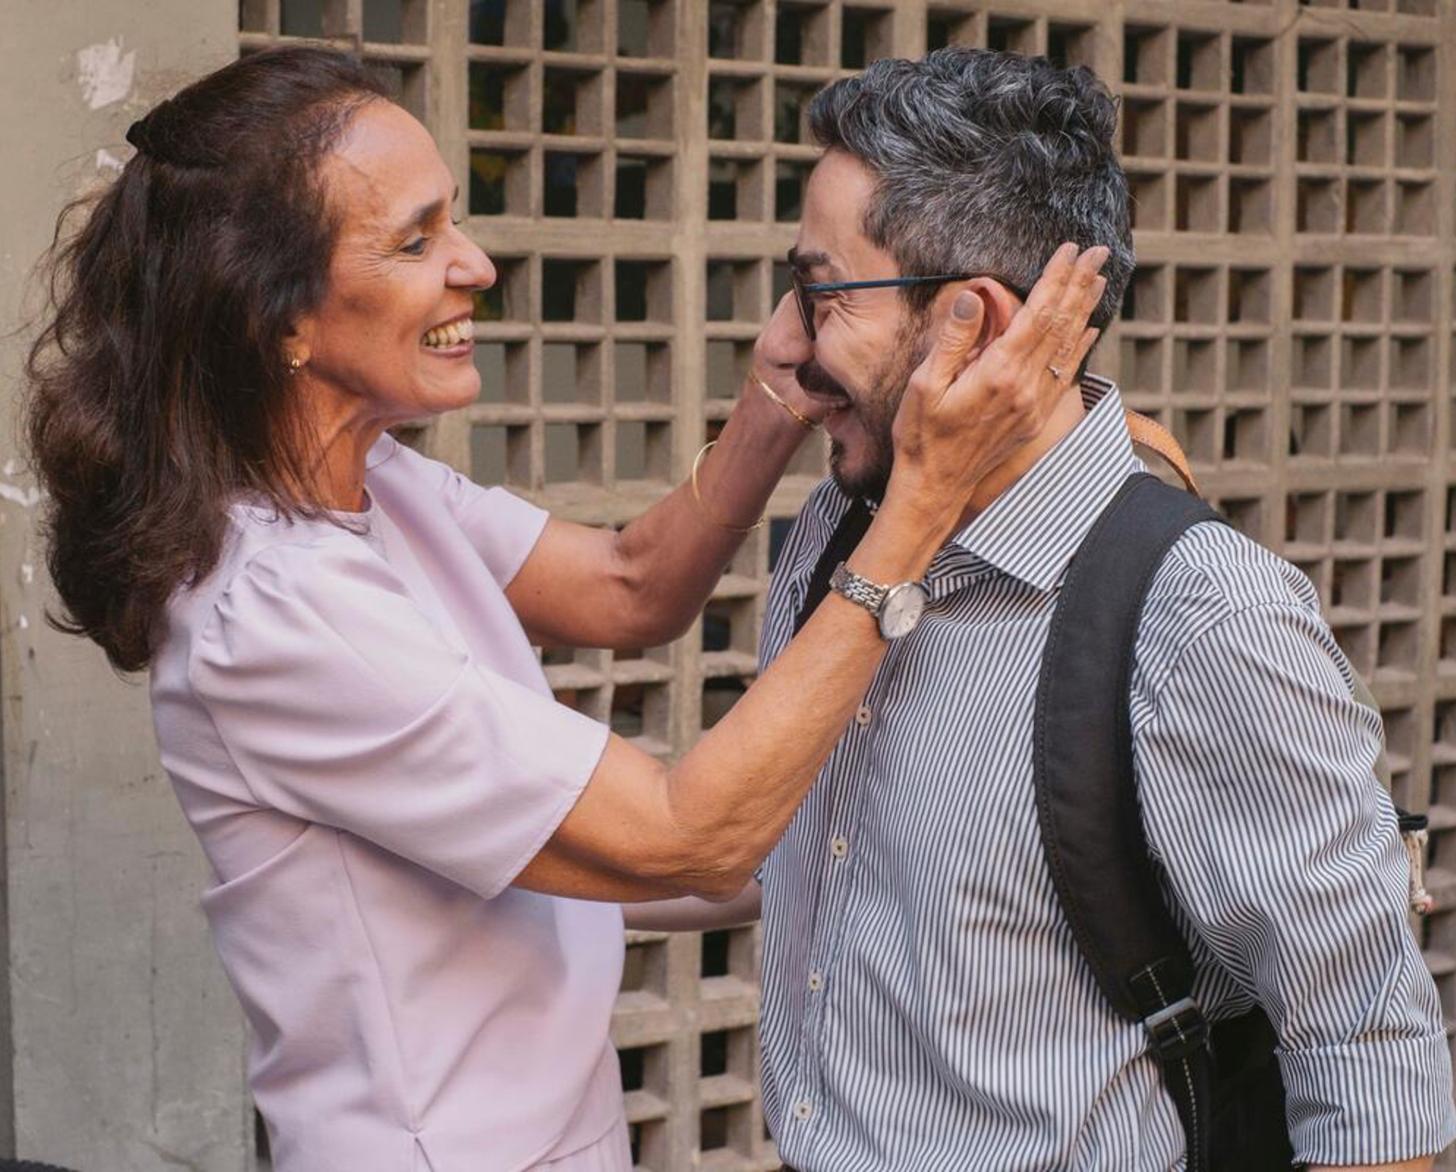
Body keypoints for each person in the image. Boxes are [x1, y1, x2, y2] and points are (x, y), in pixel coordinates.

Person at [21, 46, 1110, 1172]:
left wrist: (781, 395)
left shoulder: (369, 478)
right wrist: (922, 503)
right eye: (416, 240)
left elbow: (629, 584)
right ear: (278, 318)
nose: (476, 264)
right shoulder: (276, 616)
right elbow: (690, 836)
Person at [635, 47, 1456, 1172]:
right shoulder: (841, 531)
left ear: (973, 321)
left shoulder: (1203, 620)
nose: (780, 345)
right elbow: (805, 842)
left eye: (819, 291)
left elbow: (1371, 1072)